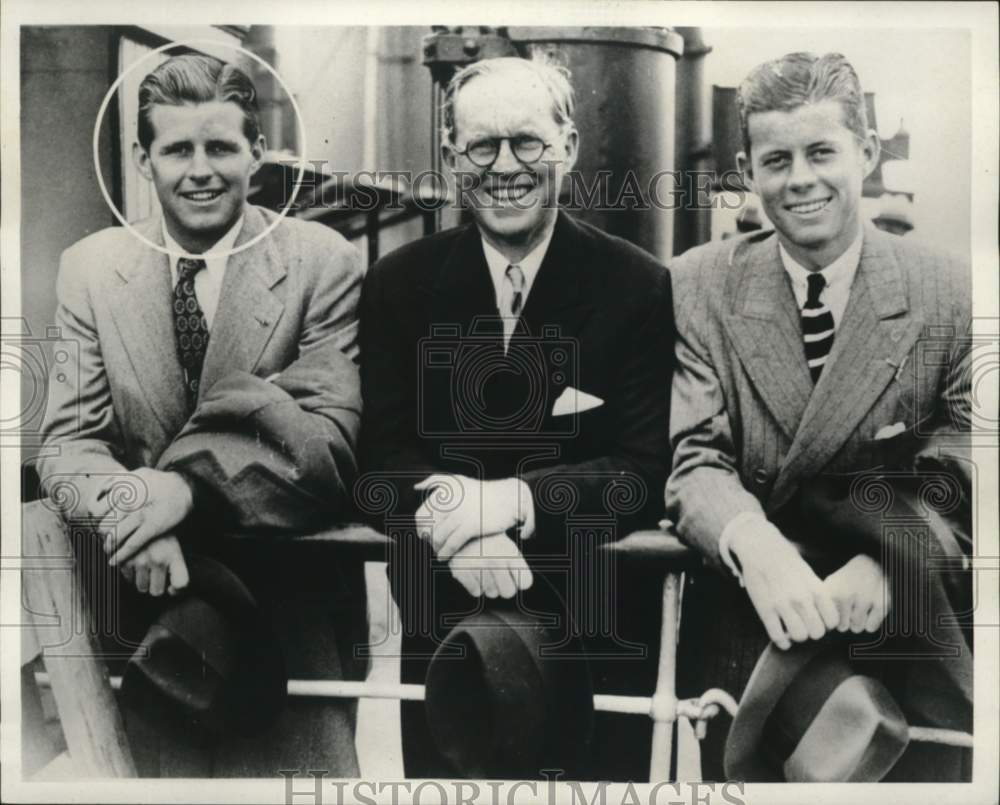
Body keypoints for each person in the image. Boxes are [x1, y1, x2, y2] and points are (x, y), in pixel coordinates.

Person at [38, 53, 365, 776]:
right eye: (177, 149)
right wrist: (133, 510)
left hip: (292, 632)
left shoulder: (322, 263)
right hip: (153, 626)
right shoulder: (90, 270)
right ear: (141, 157)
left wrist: (176, 494)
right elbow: (69, 443)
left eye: (221, 147)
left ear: (256, 152)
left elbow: (326, 445)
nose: (201, 170)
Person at [359, 56, 673, 780]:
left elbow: (641, 469)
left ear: (569, 145)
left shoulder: (637, 285)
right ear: (450, 157)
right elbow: (380, 456)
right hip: (450, 645)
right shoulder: (398, 286)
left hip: (594, 649)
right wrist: (456, 527)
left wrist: (503, 502)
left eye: (527, 142)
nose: (506, 166)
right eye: (482, 145)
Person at [665, 52, 972, 780]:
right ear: (746, 168)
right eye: (776, 159)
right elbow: (693, 453)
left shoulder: (949, 290)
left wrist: (893, 557)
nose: (800, 178)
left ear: (865, 153)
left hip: (905, 631)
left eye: (821, 152)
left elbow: (972, 453)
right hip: (756, 633)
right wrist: (752, 544)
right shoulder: (696, 285)